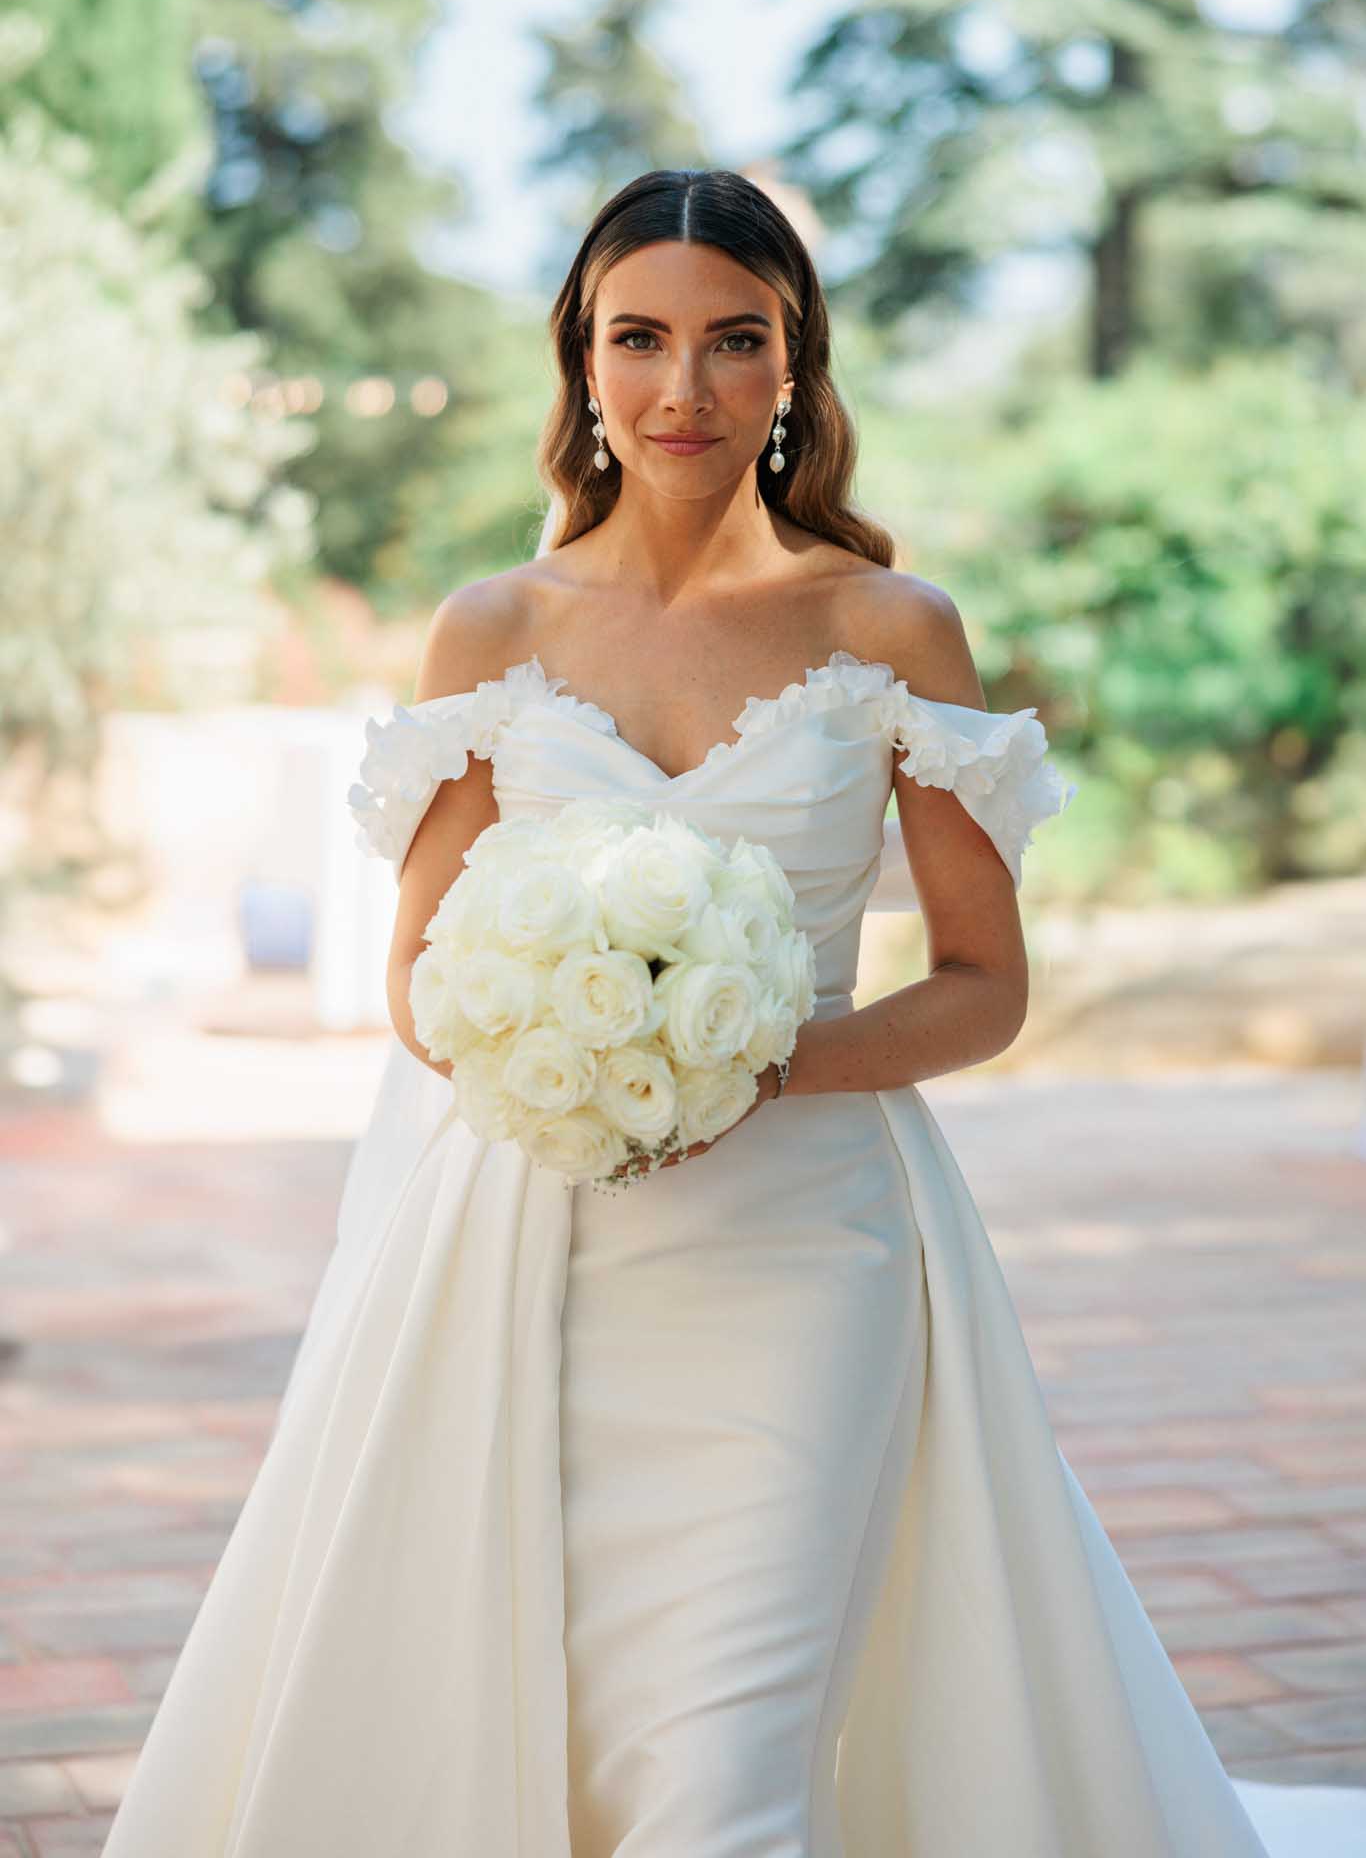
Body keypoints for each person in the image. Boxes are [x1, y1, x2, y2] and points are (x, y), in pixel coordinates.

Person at [102, 168, 1365, 1856]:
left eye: (732, 342)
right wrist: (580, 1042)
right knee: (573, 1745)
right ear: (581, 362)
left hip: (803, 1254)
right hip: (529, 1254)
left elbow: (984, 991)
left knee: (719, 1778)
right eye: (638, 338)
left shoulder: (886, 630)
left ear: (794, 371)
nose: (681, 389)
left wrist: (753, 1064)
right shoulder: (491, 630)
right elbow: (419, 986)